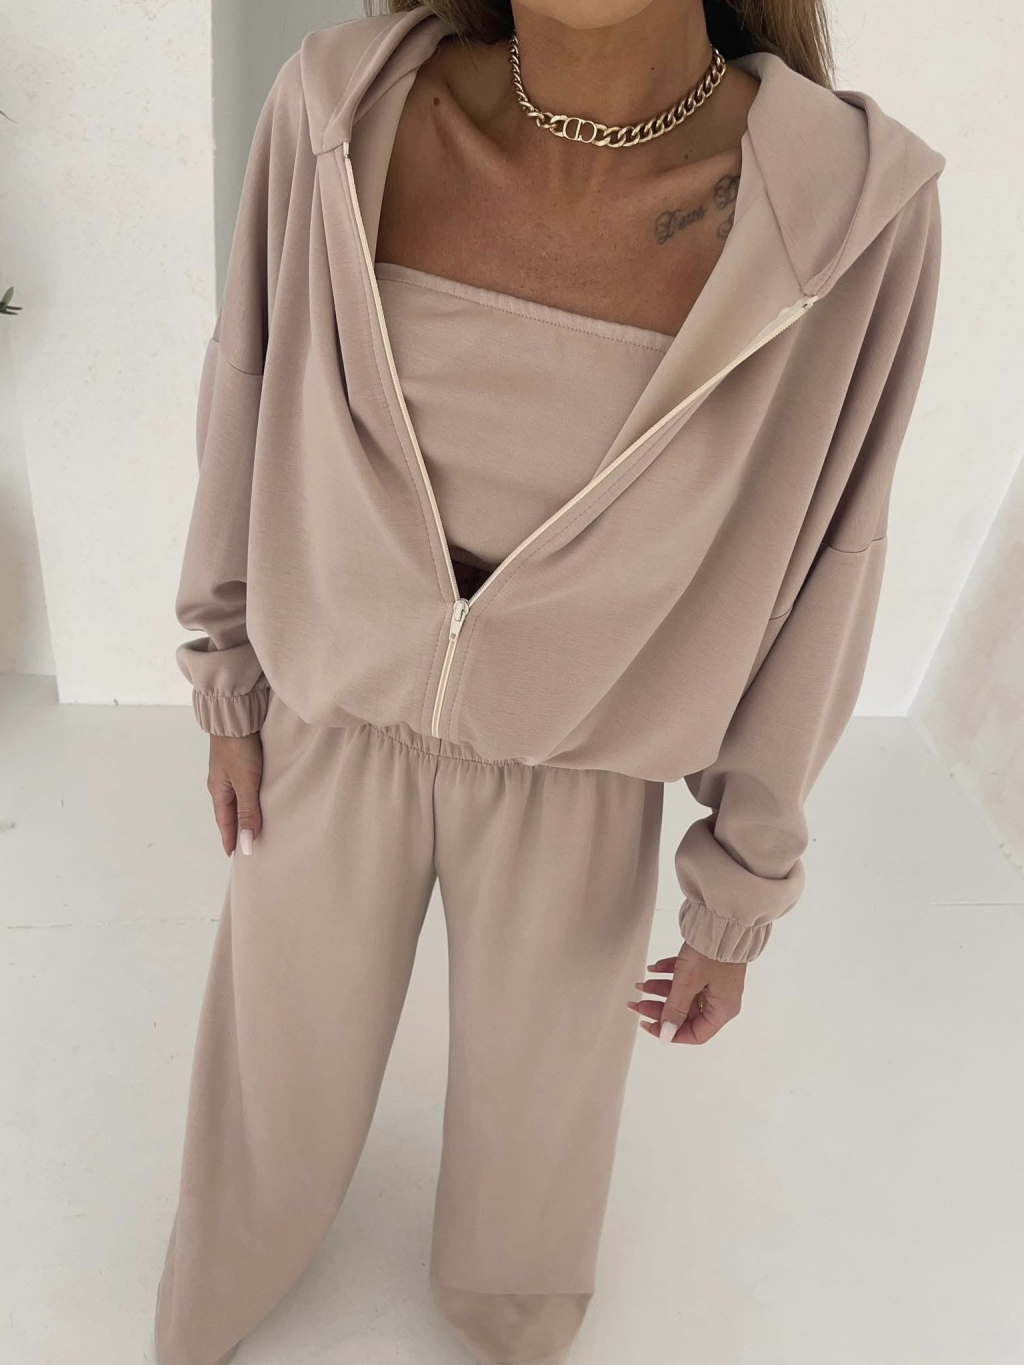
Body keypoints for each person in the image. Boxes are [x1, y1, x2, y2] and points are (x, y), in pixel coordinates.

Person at [153, 2, 945, 1362]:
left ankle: (513, 1322)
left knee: (540, 1128)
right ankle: (217, 1288)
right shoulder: (341, 110)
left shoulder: (850, 215)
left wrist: (741, 881)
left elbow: (831, 558)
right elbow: (248, 380)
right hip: (327, 728)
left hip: (584, 774)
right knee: (273, 1076)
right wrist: (226, 670)